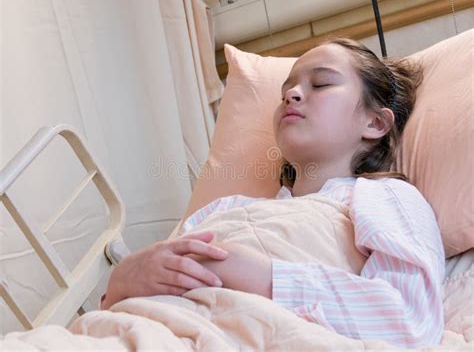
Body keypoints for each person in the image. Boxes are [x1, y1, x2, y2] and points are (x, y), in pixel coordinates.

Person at [102, 38, 445, 348]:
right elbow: (138, 302)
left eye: (321, 83)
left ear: (374, 123)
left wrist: (260, 275)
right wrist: (121, 281)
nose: (291, 95)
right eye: (287, 90)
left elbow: (409, 321)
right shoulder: (223, 209)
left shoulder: (384, 195)